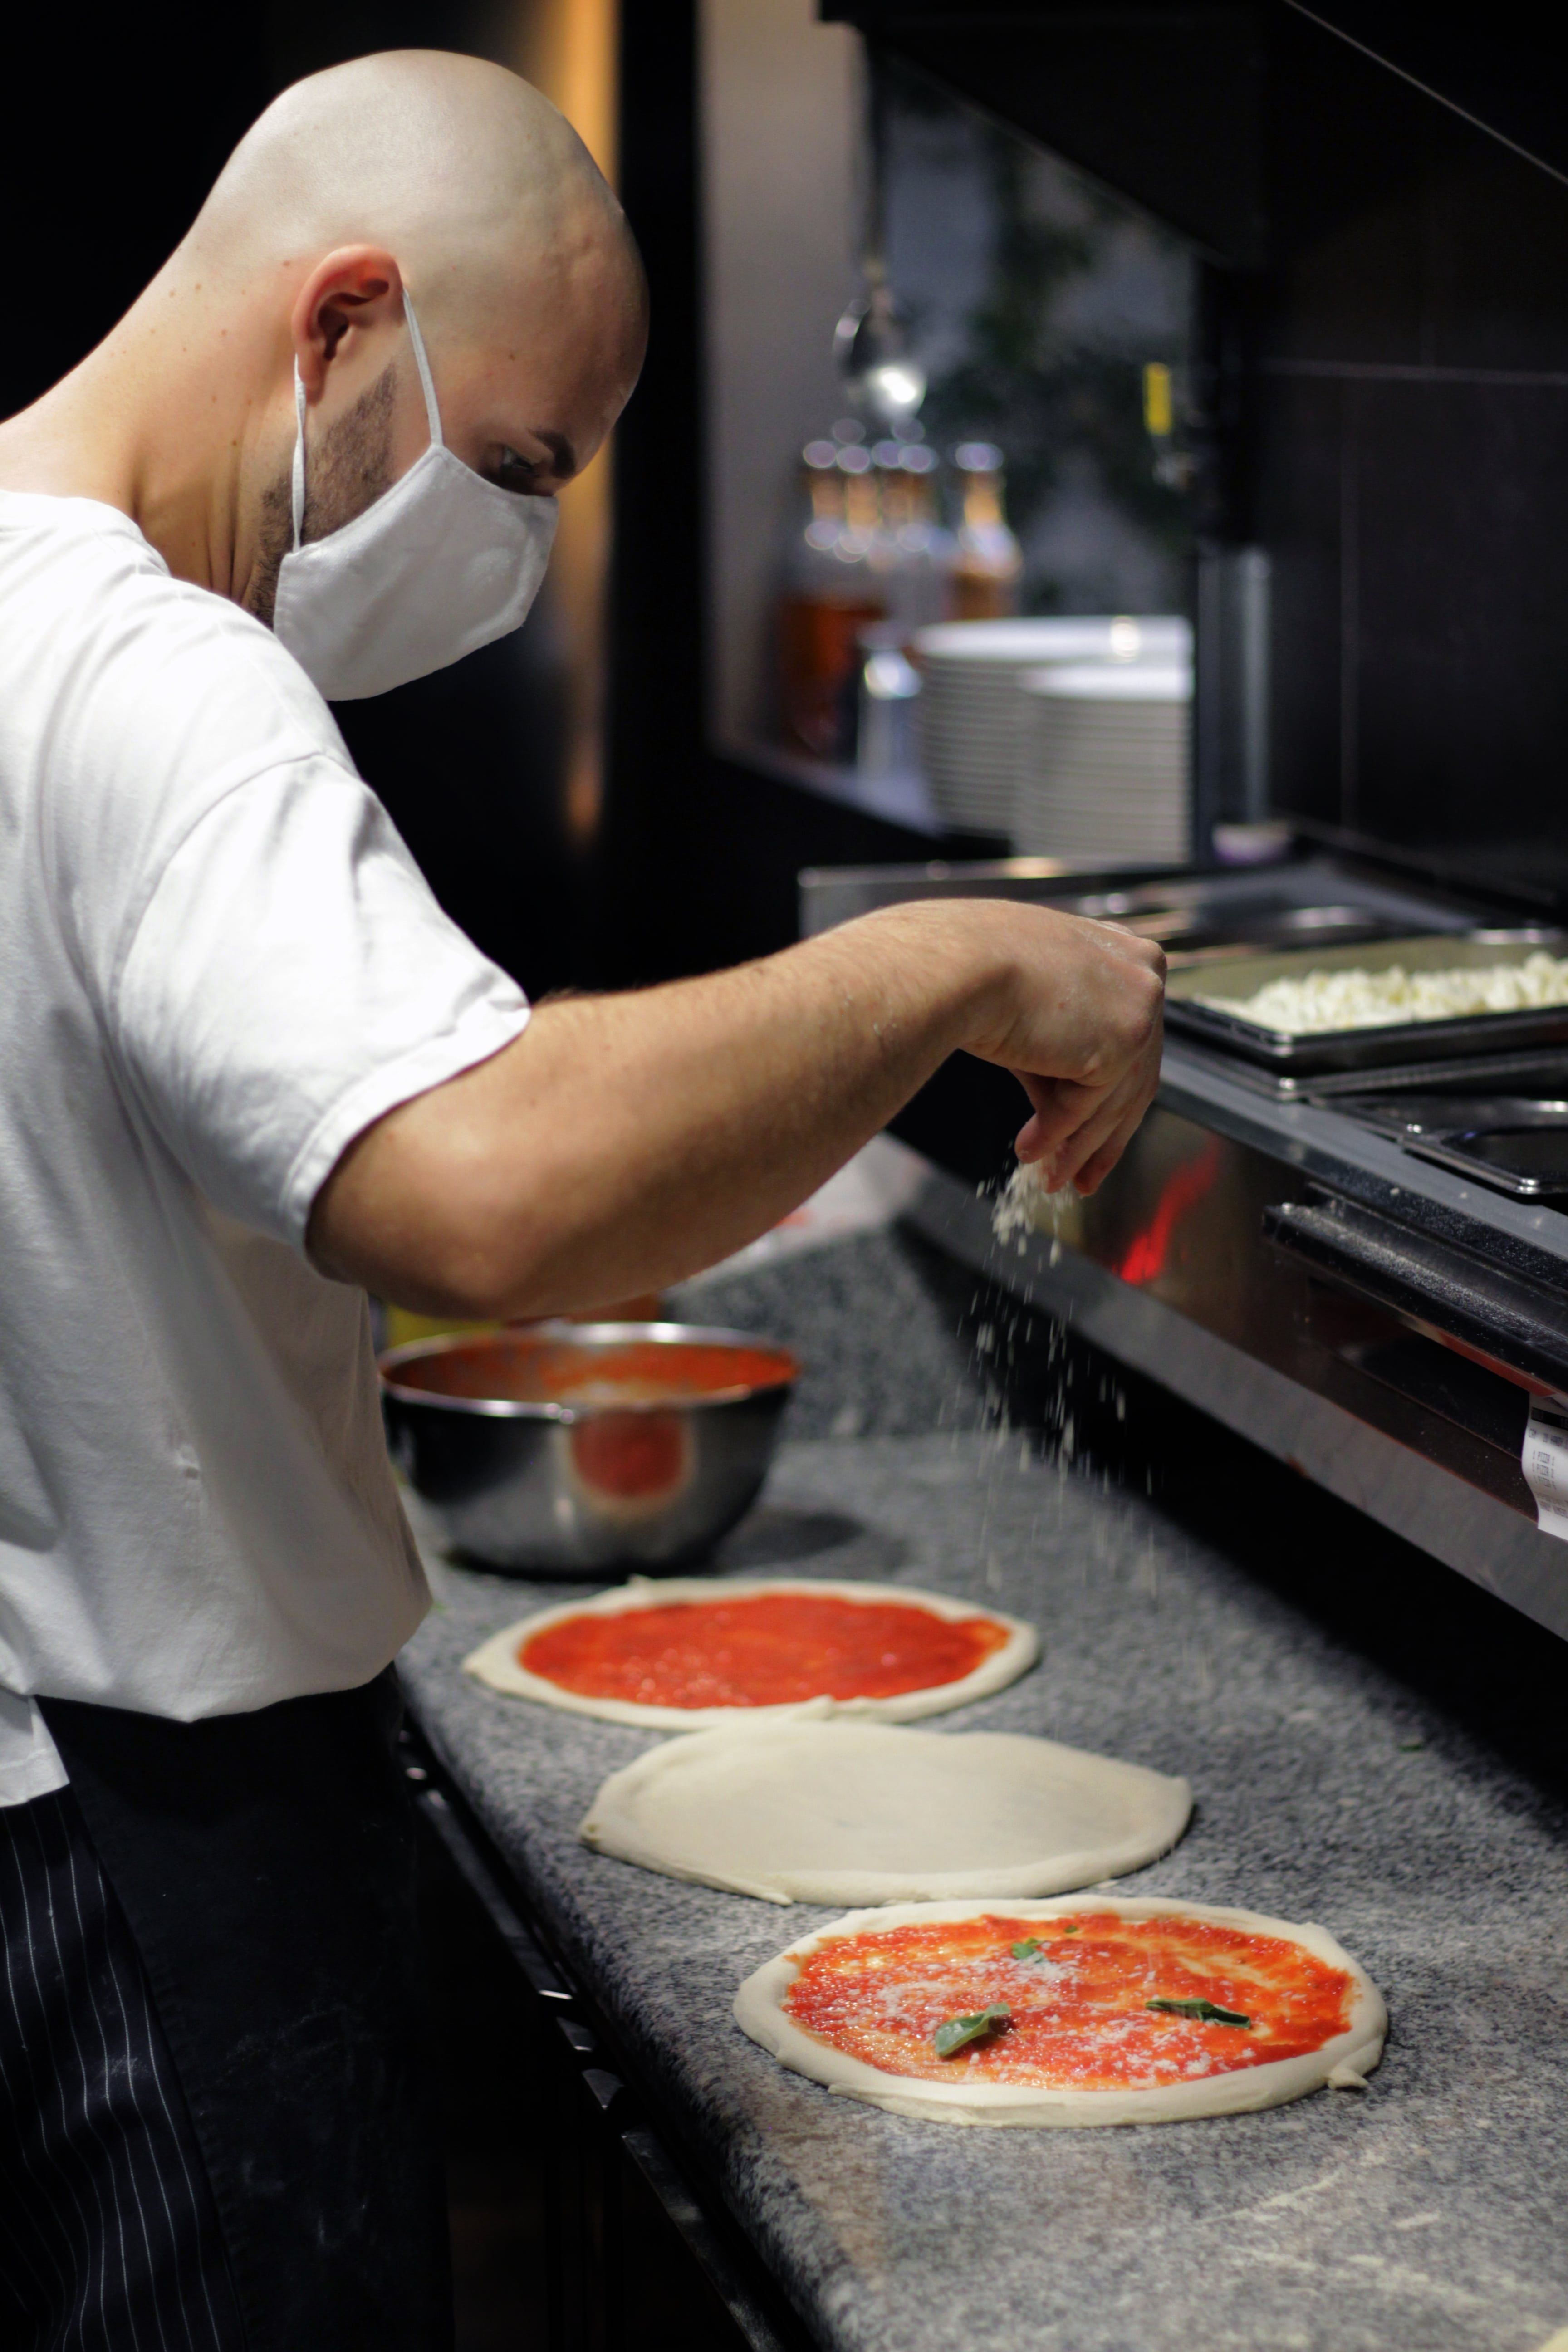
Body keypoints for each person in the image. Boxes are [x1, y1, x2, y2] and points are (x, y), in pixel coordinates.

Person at [0, 46, 1164, 2352]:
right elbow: (488, 1184)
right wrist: (948, 960)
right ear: (340, 323)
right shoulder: (155, 676)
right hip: (147, 1856)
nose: (517, 545)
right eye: (512, 462)